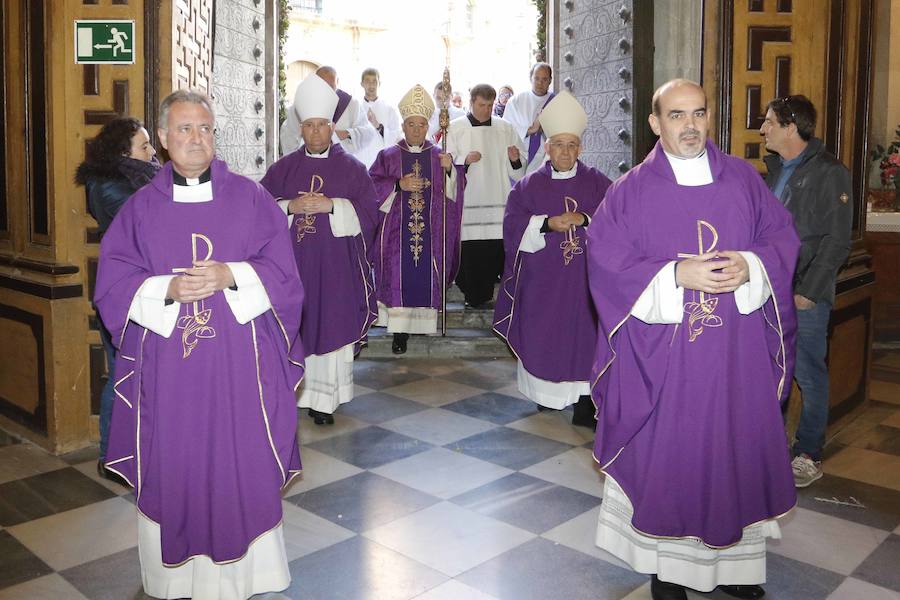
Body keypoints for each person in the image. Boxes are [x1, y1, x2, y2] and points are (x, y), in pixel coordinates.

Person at [587, 79, 800, 600]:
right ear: (655, 123)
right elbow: (607, 263)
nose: (690, 126)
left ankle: (736, 569)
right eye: (676, 115)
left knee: (735, 451)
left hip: (736, 358)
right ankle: (668, 570)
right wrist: (674, 275)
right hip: (666, 363)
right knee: (673, 457)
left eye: (698, 113)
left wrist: (750, 265)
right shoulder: (629, 192)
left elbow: (781, 238)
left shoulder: (743, 180)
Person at [95, 90, 305, 599]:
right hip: (168, 372)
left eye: (205, 128)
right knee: (174, 458)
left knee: (240, 457)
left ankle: (245, 576)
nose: (196, 139)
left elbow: (284, 275)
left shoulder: (251, 199)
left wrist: (231, 275)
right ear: (163, 139)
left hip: (240, 368)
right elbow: (113, 282)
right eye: (185, 129)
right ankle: (175, 579)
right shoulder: (140, 208)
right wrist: (166, 288)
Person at [261, 72, 379, 425]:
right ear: (301, 128)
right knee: (293, 326)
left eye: (321, 125)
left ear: (332, 127)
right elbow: (257, 214)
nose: (315, 132)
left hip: (336, 270)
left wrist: (333, 206)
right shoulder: (282, 169)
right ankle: (291, 394)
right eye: (309, 125)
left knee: (331, 324)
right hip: (292, 270)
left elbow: (370, 215)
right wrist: (289, 207)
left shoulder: (353, 169)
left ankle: (324, 401)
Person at [493, 92, 610, 427]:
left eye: (572, 145)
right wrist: (546, 224)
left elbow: (618, 220)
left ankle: (586, 402)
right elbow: (512, 226)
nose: (566, 152)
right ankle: (546, 394)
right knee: (545, 335)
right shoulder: (528, 187)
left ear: (581, 149)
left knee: (587, 336)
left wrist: (585, 218)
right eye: (559, 145)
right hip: (543, 284)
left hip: (587, 283)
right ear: (547, 147)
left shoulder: (598, 183)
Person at [760, 94, 853, 488]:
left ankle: (809, 453)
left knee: (809, 375)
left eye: (769, 122)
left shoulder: (830, 172)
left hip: (804, 295)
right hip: (769, 290)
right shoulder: (773, 170)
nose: (762, 129)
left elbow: (837, 240)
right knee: (770, 371)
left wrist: (809, 292)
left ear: (791, 126)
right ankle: (770, 447)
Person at [75, 116, 160, 486]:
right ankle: (109, 458)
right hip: (121, 293)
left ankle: (146, 451)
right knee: (122, 376)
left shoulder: (145, 177)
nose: (153, 152)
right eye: (145, 145)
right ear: (124, 153)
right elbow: (150, 220)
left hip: (149, 289)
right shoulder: (106, 185)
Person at [369, 84, 467, 354]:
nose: (416, 130)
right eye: (411, 124)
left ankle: (422, 325)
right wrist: (397, 184)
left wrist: (451, 171)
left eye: (421, 125)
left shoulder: (439, 156)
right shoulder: (388, 156)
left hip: (430, 232)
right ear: (403, 126)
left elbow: (454, 191)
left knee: (424, 276)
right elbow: (372, 186)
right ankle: (399, 332)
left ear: (427, 126)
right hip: (396, 234)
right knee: (398, 277)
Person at [446, 83, 527, 308]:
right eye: (482, 105)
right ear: (471, 102)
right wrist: (463, 161)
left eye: (490, 105)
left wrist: (514, 159)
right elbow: (444, 164)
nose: (487, 110)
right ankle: (472, 295)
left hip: (497, 198)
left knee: (494, 249)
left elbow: (519, 170)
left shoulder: (505, 128)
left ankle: (491, 294)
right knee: (471, 254)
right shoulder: (455, 128)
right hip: (468, 201)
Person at [280, 65, 377, 158]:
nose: (326, 91)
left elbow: (368, 132)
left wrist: (347, 133)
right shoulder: (301, 104)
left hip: (341, 164)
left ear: (337, 82)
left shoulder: (351, 104)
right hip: (308, 161)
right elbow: (288, 135)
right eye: (322, 85)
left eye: (330, 86)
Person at [502, 63, 555, 174]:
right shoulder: (515, 101)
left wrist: (545, 129)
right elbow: (505, 131)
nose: (540, 83)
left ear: (550, 80)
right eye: (537, 78)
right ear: (531, 78)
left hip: (546, 159)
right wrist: (530, 130)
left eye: (544, 79)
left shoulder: (556, 102)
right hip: (519, 157)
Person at [356, 67, 402, 168]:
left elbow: (396, 137)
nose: (371, 85)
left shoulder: (390, 110)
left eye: (374, 81)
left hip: (382, 164)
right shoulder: (355, 109)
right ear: (362, 84)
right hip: (360, 162)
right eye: (367, 81)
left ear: (379, 84)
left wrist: (378, 126)